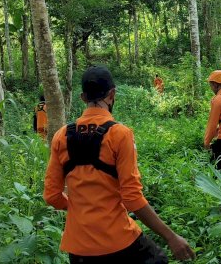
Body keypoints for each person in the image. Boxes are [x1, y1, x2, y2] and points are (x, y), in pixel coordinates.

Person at [43, 66, 195, 263]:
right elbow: (132, 197)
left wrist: (80, 209)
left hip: (78, 247)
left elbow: (52, 196)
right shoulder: (119, 134)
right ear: (112, 94)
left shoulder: (61, 136)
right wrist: (171, 237)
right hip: (118, 241)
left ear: (82, 97)